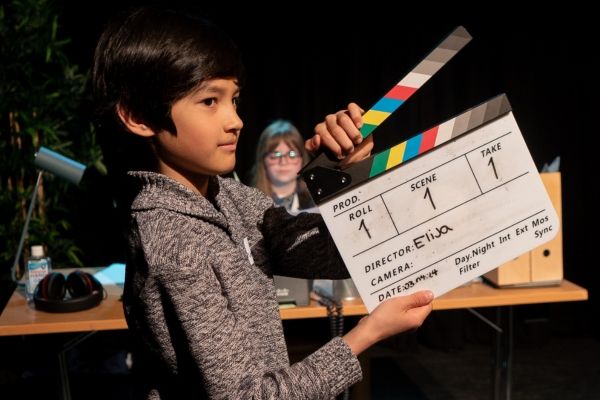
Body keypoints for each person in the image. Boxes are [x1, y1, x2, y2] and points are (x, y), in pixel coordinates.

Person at [92, 6, 433, 400]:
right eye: (209, 102)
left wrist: (347, 169)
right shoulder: (174, 244)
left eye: (234, 99)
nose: (234, 120)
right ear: (138, 117)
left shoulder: (228, 196)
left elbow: (329, 255)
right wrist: (367, 334)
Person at [251, 119, 315, 213]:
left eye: (292, 154)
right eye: (275, 155)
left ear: (302, 158)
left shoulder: (316, 203)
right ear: (263, 160)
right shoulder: (250, 204)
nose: (283, 162)